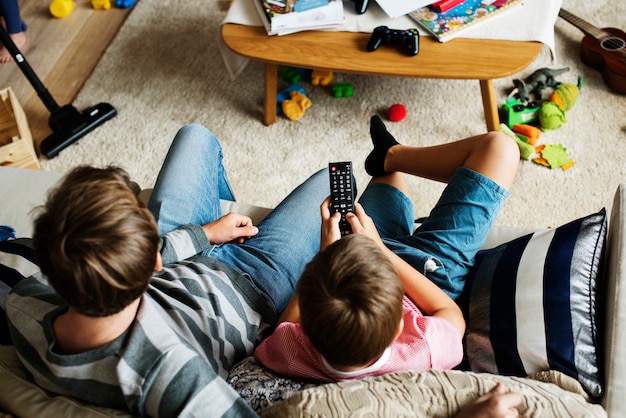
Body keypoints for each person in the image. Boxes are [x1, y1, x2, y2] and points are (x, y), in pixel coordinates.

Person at [5, 123, 331, 417]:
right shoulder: (170, 373)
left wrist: (205, 234)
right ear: (152, 264)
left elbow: (107, 256)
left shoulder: (26, 300)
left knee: (195, 134)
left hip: (183, 259)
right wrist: (324, 269)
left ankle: (223, 221)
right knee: (332, 181)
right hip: (257, 285)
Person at [254, 115, 520, 382]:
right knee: (500, 148)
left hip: (355, 253)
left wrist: (330, 257)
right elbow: (451, 314)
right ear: (398, 330)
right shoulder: (423, 350)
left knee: (386, 179)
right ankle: (393, 156)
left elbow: (284, 328)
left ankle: (388, 158)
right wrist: (376, 249)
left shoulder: (289, 354)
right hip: (431, 276)